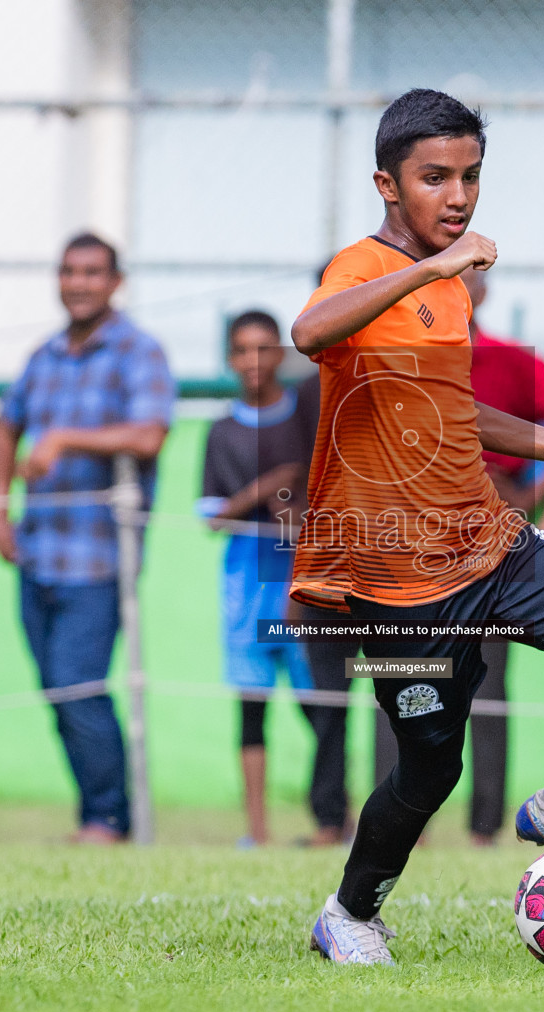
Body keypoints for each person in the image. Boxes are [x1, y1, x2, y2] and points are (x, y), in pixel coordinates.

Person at [294, 88, 544, 965]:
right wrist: (431, 269)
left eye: (470, 177)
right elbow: (308, 330)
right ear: (387, 184)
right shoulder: (364, 269)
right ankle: (349, 916)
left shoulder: (451, 289)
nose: (459, 196)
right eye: (436, 178)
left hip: (493, 547)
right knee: (432, 768)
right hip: (394, 583)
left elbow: (455, 410)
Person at [368, 266, 544, 845]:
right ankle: (399, 828)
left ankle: (485, 829)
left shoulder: (512, 361)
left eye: (467, 284)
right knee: (400, 684)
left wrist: (535, 497)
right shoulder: (393, 357)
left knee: (486, 689)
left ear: (484, 293)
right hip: (405, 553)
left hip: (491, 554)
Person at [0, 232, 175, 845]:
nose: (79, 282)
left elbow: (150, 435)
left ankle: (108, 819)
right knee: (56, 690)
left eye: (93, 272)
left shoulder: (137, 352)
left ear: (115, 282)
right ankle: (97, 814)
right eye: (70, 271)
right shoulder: (43, 356)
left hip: (97, 559)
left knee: (78, 685)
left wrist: (66, 438)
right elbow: (5, 425)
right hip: (37, 551)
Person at [199, 310, 333, 846]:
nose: (252, 362)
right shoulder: (221, 431)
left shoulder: (304, 417)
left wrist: (290, 501)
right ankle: (257, 831)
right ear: (230, 359)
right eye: (241, 350)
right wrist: (266, 490)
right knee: (251, 708)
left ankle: (332, 819)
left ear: (280, 353)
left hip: (305, 582)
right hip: (244, 587)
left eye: (263, 349)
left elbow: (312, 497)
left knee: (322, 706)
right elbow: (212, 514)